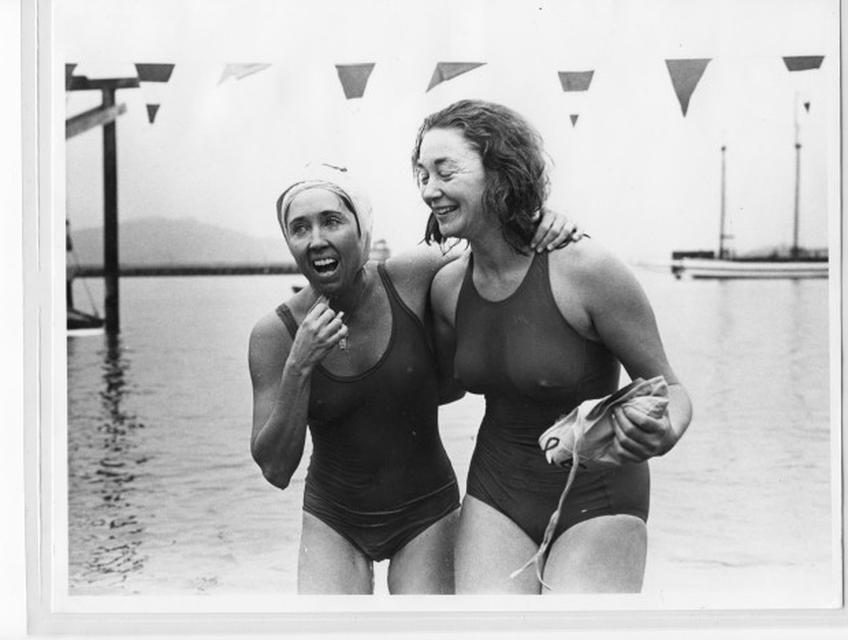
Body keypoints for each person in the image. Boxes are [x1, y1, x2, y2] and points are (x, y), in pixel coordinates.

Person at [248, 163, 578, 594]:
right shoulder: (275, 335)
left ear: (362, 228)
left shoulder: (411, 278)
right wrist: (299, 365)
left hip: (426, 514)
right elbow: (275, 469)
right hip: (334, 518)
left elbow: (495, 245)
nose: (317, 240)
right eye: (299, 228)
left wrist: (541, 220)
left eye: (332, 221)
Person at [413, 99, 693, 594]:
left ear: (500, 171)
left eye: (445, 170)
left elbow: (669, 387)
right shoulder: (447, 289)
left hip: (599, 490)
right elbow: (440, 388)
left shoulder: (586, 270)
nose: (430, 189)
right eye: (422, 175)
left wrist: (662, 432)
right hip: (496, 490)